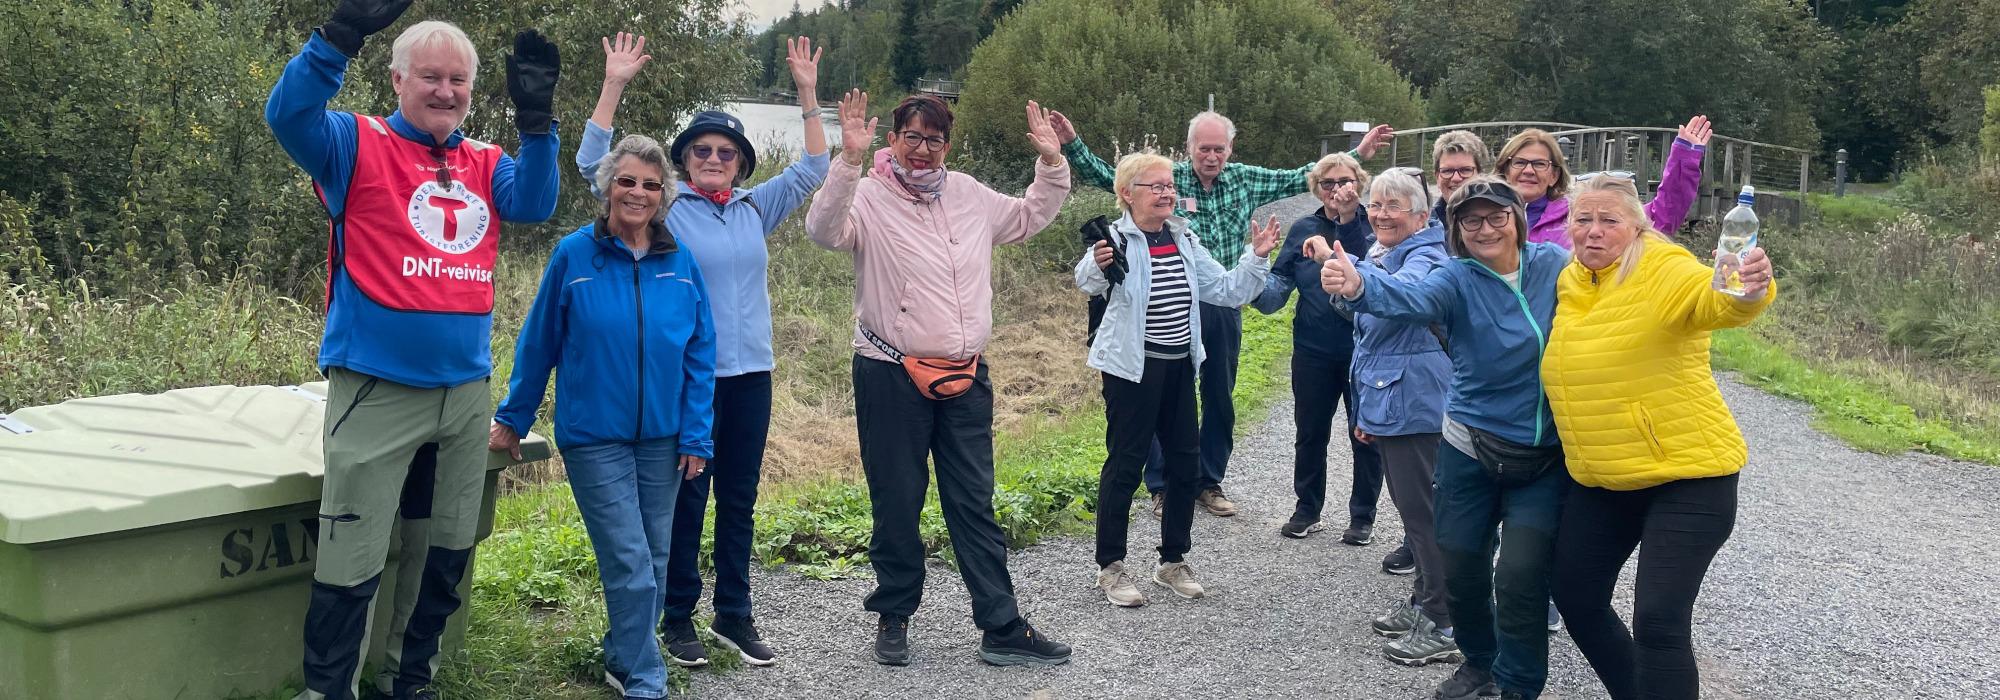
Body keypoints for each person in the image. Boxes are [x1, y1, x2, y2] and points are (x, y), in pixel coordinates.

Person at [263, 2, 560, 697]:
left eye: (459, 80)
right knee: (350, 559)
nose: (446, 91)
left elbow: (537, 202)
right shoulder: (353, 144)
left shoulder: (485, 162)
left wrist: (538, 122)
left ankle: (408, 678)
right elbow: (286, 116)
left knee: (444, 550)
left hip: (463, 394)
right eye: (430, 76)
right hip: (375, 389)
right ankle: (329, 689)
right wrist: (337, 37)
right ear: (397, 80)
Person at [574, 32, 832, 669]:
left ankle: (734, 616)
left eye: (726, 152)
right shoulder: (666, 210)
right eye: (701, 150)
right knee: (688, 496)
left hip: (753, 376)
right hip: (691, 381)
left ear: (741, 163)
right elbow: (592, 169)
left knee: (739, 498)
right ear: (685, 159)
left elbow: (815, 169)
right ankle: (678, 616)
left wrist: (806, 93)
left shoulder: (753, 209)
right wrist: (613, 86)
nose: (714, 158)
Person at [805, 90, 1073, 667]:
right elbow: (824, 231)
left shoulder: (970, 194)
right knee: (898, 500)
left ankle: (1001, 625)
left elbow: (1029, 216)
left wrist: (1052, 163)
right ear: (893, 140)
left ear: (946, 145)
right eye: (912, 137)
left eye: (934, 139)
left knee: (973, 501)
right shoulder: (870, 197)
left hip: (967, 377)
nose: (922, 149)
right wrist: (847, 161)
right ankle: (894, 616)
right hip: (890, 374)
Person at [1050, 109, 1392, 518]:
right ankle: (1163, 485)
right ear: (1190, 148)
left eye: (1218, 148)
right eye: (1203, 148)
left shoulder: (1244, 178)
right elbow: (1111, 177)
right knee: (1167, 398)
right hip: (1175, 302)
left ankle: (1208, 481)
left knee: (1219, 396)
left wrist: (1359, 152)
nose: (1211, 156)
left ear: (1230, 149)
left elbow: (1305, 174)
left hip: (1225, 299)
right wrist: (1071, 144)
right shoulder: (1168, 180)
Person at [1320, 176, 1567, 700]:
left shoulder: (1553, 266)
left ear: (1517, 219)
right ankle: (1478, 662)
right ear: (1455, 229)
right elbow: (1408, 296)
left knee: (1521, 575)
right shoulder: (1454, 277)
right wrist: (1359, 285)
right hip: (1469, 443)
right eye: (1470, 219)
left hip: (1542, 453)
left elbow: (1618, 276)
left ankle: (1518, 683)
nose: (1485, 228)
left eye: (1496, 216)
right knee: (1460, 558)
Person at [491, 134, 715, 700]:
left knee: (657, 560)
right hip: (595, 438)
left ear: (663, 195)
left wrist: (697, 434)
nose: (637, 193)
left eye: (649, 184)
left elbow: (699, 352)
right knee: (630, 560)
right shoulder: (574, 255)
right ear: (607, 187)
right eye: (626, 181)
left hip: (664, 438)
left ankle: (622, 654)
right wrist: (513, 417)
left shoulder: (680, 261)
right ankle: (645, 679)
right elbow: (539, 342)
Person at [1544, 176, 1775, 700]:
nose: (1594, 232)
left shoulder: (1662, 267)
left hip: (1688, 476)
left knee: (1660, 621)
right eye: (1583, 220)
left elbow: (1716, 299)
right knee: (1575, 596)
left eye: (1610, 221)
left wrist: (1750, 288)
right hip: (1605, 475)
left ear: (1637, 226)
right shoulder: (1571, 280)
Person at [1078, 152, 1277, 607]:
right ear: (1128, 194)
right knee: (1126, 465)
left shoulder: (1184, 239)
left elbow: (1227, 290)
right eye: (1156, 186)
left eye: (1169, 186)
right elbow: (1086, 282)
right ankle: (1110, 568)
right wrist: (1096, 262)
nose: (1168, 193)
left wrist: (1257, 256)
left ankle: (1172, 562)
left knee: (1185, 464)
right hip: (1131, 370)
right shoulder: (1116, 239)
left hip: (1179, 365)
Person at [1306, 168, 1457, 665]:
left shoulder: (1428, 257)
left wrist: (1355, 283)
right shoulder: (1386, 252)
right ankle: (1425, 600)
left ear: (1420, 214)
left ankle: (1445, 620)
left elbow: (1408, 298)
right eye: (1376, 204)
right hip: (1393, 395)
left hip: (1415, 402)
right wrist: (1344, 285)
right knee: (1415, 513)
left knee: (1426, 514)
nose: (1381, 213)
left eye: (1395, 205)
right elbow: (1370, 316)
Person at [1250, 153, 1408, 571]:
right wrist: (1248, 278)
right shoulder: (1303, 228)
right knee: (1310, 431)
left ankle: (1362, 516)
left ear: (1360, 183)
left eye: (1345, 181)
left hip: (1365, 352)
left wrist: (1351, 217)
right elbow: (1278, 287)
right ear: (1316, 187)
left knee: (1366, 436)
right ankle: (1307, 508)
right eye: (1327, 183)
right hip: (1313, 348)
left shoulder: (1372, 229)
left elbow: (1372, 273)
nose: (1336, 189)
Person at [1497, 117, 1711, 247]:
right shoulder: (1482, 217)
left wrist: (1685, 156)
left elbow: (1660, 217)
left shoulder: (1578, 214)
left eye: (1539, 164)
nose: (1528, 170)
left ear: (1554, 175)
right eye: (1519, 162)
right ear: (1505, 169)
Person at [1430, 130, 1493, 221]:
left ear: (1482, 175)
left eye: (1465, 170)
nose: (1456, 178)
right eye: (1447, 171)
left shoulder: (1502, 220)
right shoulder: (1424, 226)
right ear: (1437, 177)